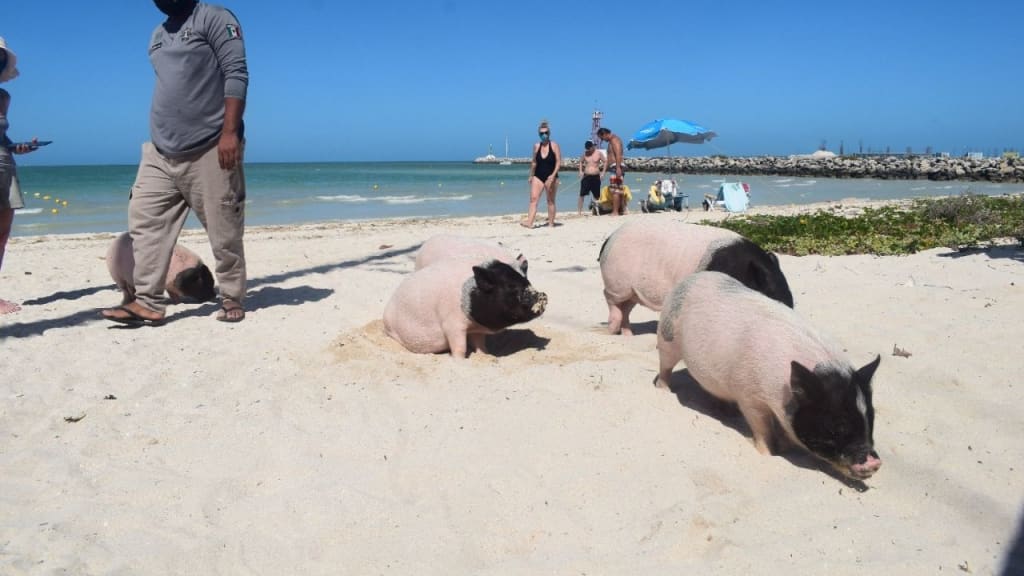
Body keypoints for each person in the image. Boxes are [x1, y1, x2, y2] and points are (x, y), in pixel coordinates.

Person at [102, 0, 249, 325]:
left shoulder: (215, 18)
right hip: (160, 150)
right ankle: (148, 302)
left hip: (211, 144)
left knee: (224, 228)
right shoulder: (157, 35)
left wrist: (229, 132)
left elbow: (236, 72)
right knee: (145, 224)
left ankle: (231, 297)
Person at [1, 39, 36, 315]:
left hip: (4, 165)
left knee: (2, 235)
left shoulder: (3, 98)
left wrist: (20, 147)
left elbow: (3, 139)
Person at [523, 120, 561, 228]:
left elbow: (558, 161)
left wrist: (553, 175)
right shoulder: (536, 146)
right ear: (539, 134)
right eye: (541, 133)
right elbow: (534, 162)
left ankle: (551, 223)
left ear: (549, 133)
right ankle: (529, 222)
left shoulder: (554, 145)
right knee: (533, 199)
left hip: (551, 176)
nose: (544, 135)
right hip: (538, 176)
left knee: (550, 200)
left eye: (546, 133)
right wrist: (531, 175)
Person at [597, 127, 626, 216]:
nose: (602, 140)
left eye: (602, 138)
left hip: (616, 167)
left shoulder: (614, 140)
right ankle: (620, 210)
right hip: (615, 167)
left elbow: (618, 154)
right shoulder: (612, 141)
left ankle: (615, 212)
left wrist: (617, 168)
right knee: (618, 189)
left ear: (605, 134)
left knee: (615, 190)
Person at [577, 140, 604, 215]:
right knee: (582, 194)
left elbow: (605, 161)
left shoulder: (599, 153)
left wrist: (603, 173)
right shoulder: (585, 153)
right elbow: (581, 162)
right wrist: (580, 171)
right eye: (587, 148)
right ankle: (579, 212)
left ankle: (595, 211)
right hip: (586, 176)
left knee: (597, 195)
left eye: (589, 148)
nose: (588, 150)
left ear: (592, 146)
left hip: (596, 176)